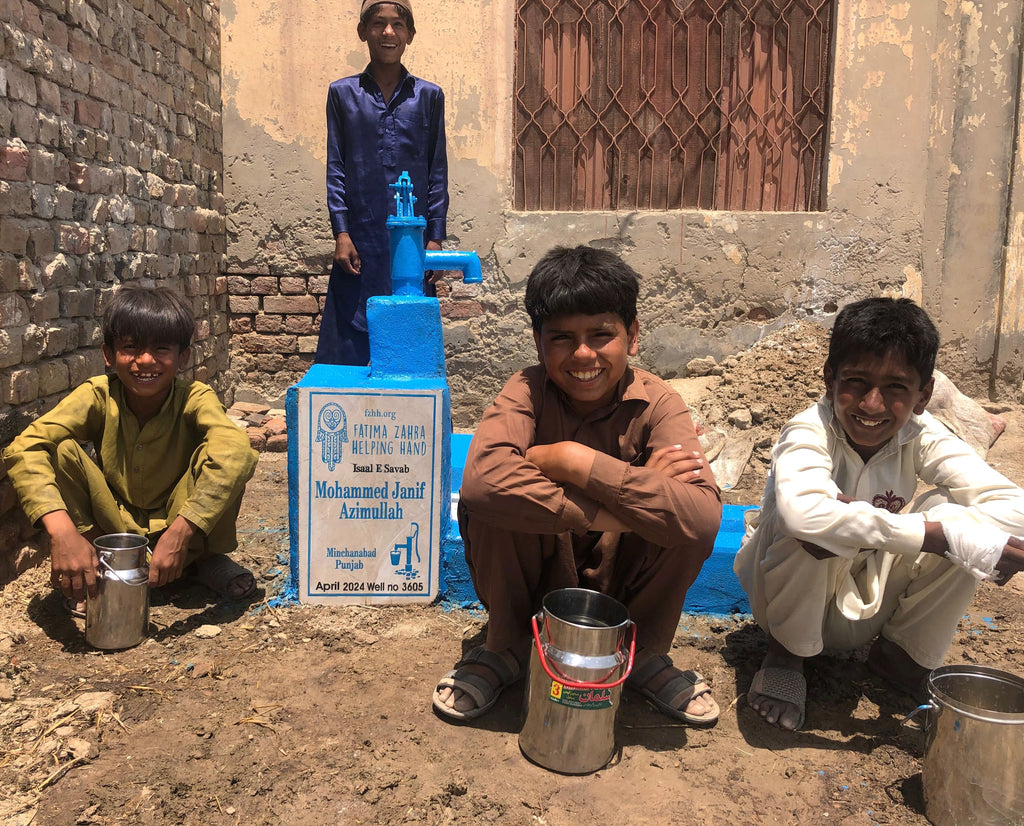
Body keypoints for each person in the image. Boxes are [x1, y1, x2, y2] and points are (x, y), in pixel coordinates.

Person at [432, 246, 723, 724]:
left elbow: (701, 515)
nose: (584, 354)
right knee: (493, 507)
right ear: (538, 341)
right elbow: (484, 481)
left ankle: (643, 652)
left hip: (622, 577)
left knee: (684, 524)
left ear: (632, 335)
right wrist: (626, 503)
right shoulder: (524, 391)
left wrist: (570, 460)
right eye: (563, 338)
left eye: (601, 335)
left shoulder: (660, 404)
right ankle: (506, 646)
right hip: (539, 566)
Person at [734, 297, 1024, 731]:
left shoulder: (923, 435)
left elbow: (1014, 510)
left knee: (961, 521)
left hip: (866, 600)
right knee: (807, 527)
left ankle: (902, 656)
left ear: (923, 395)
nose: (872, 404)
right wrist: (932, 537)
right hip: (787, 603)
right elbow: (803, 517)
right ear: (830, 379)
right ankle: (785, 656)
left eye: (895, 388)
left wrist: (950, 533)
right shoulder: (807, 429)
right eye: (856, 381)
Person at [3, 285, 260, 612]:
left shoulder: (194, 398)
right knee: (58, 450)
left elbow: (237, 451)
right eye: (130, 347)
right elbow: (25, 447)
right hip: (113, 530)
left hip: (182, 526)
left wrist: (181, 531)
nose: (145, 360)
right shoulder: (97, 395)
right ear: (108, 355)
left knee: (226, 454)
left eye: (162, 349)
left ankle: (204, 561)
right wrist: (62, 532)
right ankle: (96, 561)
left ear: (183, 357)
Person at [319, 0, 448, 365]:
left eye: (397, 25)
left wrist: (435, 238)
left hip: (411, 239)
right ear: (363, 32)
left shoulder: (428, 96)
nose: (388, 32)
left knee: (410, 337)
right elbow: (336, 166)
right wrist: (341, 232)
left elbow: (437, 170)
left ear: (410, 34)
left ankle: (406, 417)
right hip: (359, 236)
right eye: (378, 24)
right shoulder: (342, 94)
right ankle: (357, 418)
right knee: (351, 333)